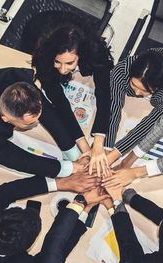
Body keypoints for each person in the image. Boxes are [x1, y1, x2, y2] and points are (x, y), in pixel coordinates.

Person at [31, 22, 114, 174]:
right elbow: (60, 102)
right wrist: (84, 146)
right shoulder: (45, 54)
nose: (63, 69)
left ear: (81, 56)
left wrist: (98, 144)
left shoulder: (94, 52)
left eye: (70, 63)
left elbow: (104, 95)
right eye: (57, 62)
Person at [105, 48, 163, 164]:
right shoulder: (123, 69)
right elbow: (113, 108)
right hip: (158, 58)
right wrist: (106, 147)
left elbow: (150, 123)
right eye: (134, 85)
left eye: (144, 90)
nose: (136, 93)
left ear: (158, 87)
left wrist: (115, 153)